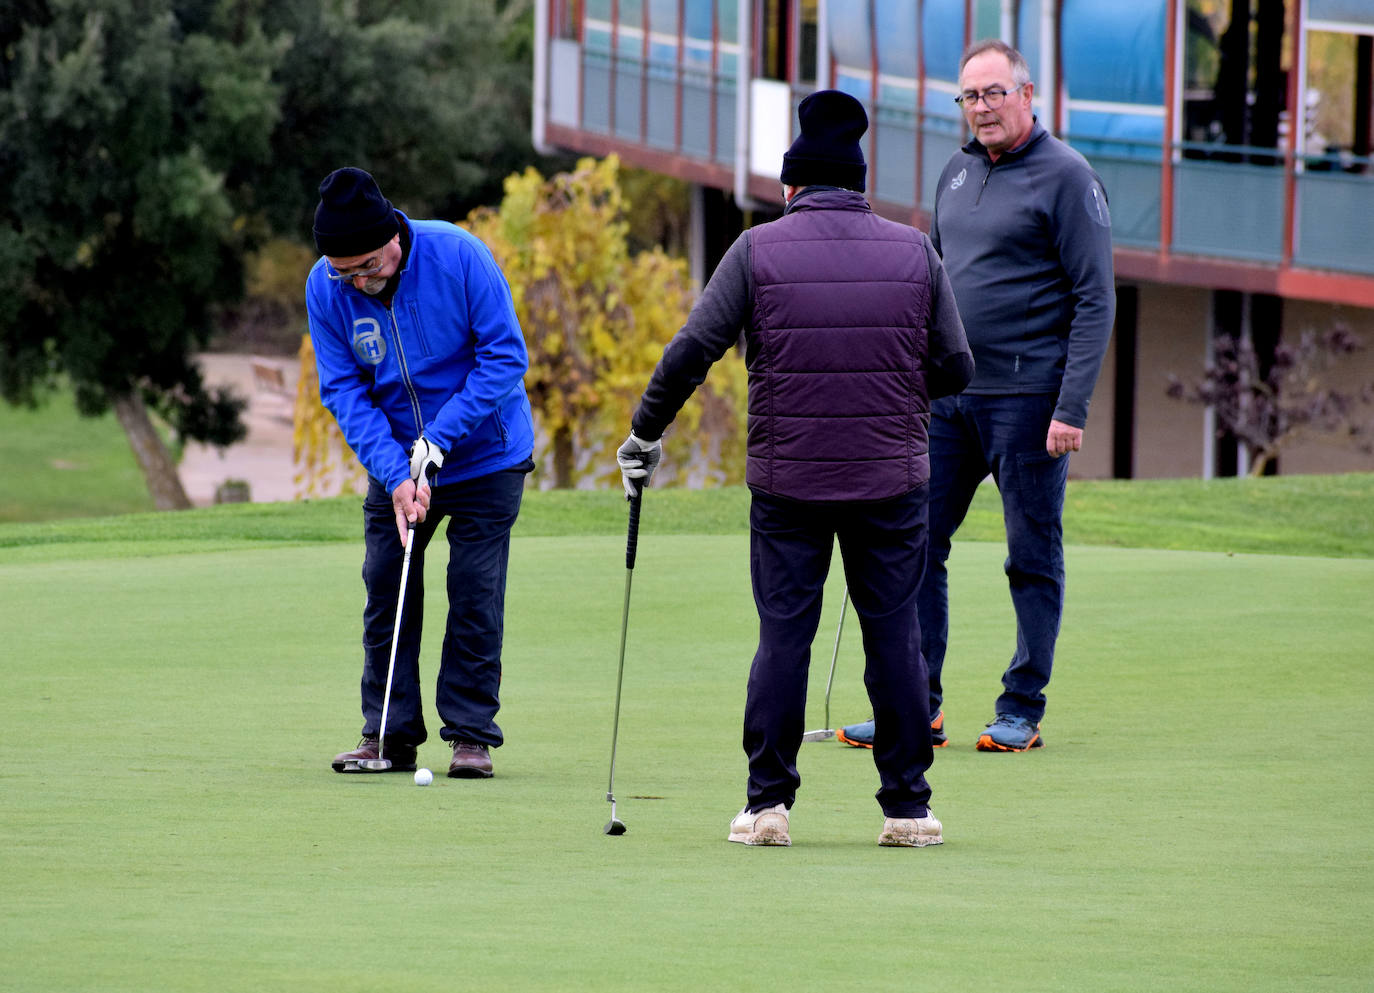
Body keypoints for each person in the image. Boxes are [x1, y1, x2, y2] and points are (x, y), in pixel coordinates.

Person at [616, 91, 973, 847]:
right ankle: (908, 809)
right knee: (895, 638)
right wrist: (902, 398)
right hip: (891, 479)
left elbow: (693, 349)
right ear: (859, 182)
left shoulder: (756, 250)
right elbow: (957, 366)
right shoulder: (913, 249)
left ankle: (768, 803)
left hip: (789, 483)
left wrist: (645, 431)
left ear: (791, 187)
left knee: (785, 637)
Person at [836, 39, 1115, 754]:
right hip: (947, 398)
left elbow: (1096, 300)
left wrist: (1072, 406)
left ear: (1027, 95)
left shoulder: (1068, 177)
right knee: (915, 544)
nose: (982, 108)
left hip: (1029, 402)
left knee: (1031, 554)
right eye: (970, 97)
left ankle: (1021, 707)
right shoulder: (956, 173)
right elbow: (931, 282)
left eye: (994, 93)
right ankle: (915, 704)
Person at [306, 167, 535, 779]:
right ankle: (387, 733)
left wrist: (438, 441)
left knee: (475, 588)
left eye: (368, 266)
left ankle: (469, 736)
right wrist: (396, 471)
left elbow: (506, 357)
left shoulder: (459, 255)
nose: (358, 281)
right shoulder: (326, 288)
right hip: (399, 463)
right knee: (388, 579)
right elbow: (344, 390)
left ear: (394, 239)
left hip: (490, 453)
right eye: (344, 271)